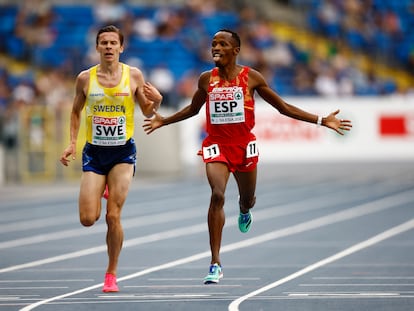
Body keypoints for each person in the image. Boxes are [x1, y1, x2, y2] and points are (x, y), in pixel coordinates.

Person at [142, 29, 352, 284]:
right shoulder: (206, 79)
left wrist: (321, 120)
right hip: (217, 145)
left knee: (247, 199)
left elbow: (282, 107)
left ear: (236, 50)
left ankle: (244, 209)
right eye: (213, 44)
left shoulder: (251, 77)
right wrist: (164, 121)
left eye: (222, 44)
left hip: (244, 147)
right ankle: (215, 263)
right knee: (217, 195)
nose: (216, 48)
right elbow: (194, 109)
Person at [60, 25, 162, 292]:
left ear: (121, 47)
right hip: (94, 153)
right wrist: (72, 142)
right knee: (87, 218)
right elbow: (75, 111)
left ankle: (111, 274)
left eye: (112, 43)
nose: (108, 47)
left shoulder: (133, 75)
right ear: (96, 47)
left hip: (122, 154)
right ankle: (102, 187)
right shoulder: (84, 78)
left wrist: (158, 102)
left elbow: (148, 110)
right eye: (103, 42)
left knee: (113, 216)